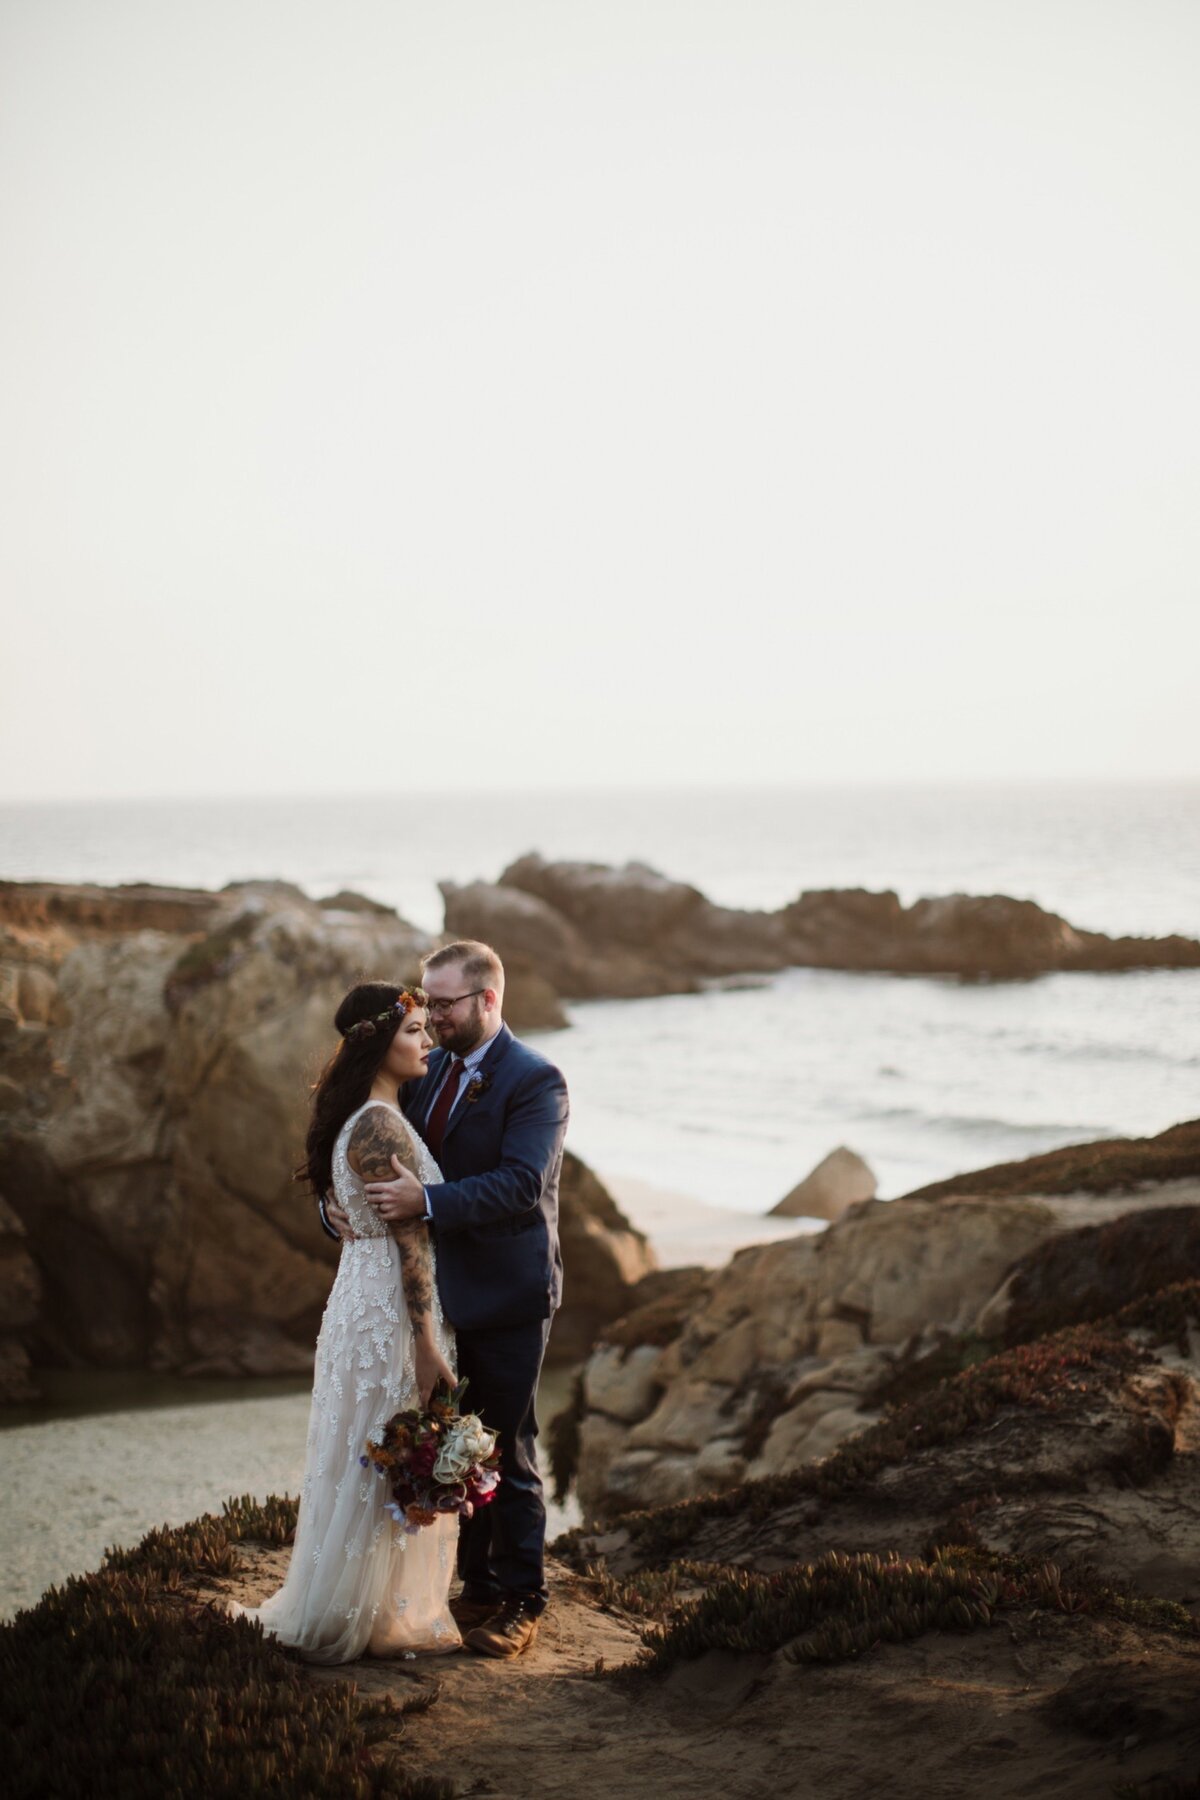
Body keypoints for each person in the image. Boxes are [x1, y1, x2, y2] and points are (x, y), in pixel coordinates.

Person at [322, 940, 568, 1660]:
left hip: (509, 1292)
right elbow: (371, 1147)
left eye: (444, 1003)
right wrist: (336, 1211)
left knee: (510, 1448)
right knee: (457, 1446)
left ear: (488, 1000)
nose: (431, 1016)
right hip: (435, 1300)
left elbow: (521, 1184)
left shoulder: (536, 1081)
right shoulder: (428, 1073)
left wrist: (424, 1200)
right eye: (425, 1003)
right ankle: (478, 1585)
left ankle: (524, 1600)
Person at [235, 981, 460, 1664]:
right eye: (415, 1030)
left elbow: (352, 1212)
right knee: (386, 1444)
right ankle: (369, 1615)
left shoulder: (360, 1119)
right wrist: (425, 1342)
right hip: (387, 1302)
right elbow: (411, 1238)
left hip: (357, 1295)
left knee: (365, 1448)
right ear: (378, 1041)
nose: (427, 1041)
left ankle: (361, 1605)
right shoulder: (380, 1125)